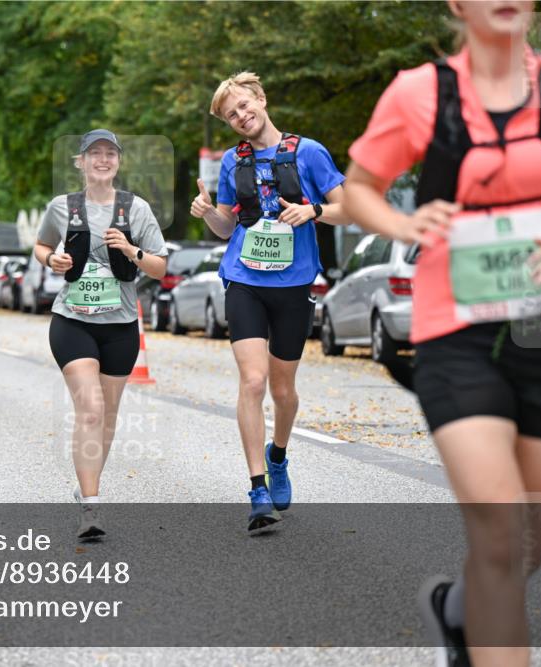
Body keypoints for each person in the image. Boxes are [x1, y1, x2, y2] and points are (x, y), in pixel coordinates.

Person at [343, 2, 541, 665]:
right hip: (456, 330)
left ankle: (457, 610)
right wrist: (402, 226)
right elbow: (362, 187)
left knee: (535, 535)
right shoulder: (420, 92)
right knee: (501, 532)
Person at [191, 72, 349, 532]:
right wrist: (208, 216)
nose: (241, 117)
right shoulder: (231, 161)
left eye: (244, 106)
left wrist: (314, 210)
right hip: (243, 280)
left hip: (293, 285)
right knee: (253, 382)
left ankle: (277, 454)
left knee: (282, 391)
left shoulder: (309, 152)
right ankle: (258, 489)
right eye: (231, 115)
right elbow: (226, 226)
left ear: (260, 98)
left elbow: (349, 208)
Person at [34, 129, 168, 540]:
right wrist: (52, 259)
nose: (103, 160)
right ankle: (91, 507)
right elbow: (40, 246)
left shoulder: (136, 208)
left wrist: (132, 251)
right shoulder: (63, 207)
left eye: (110, 153)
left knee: (106, 417)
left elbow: (160, 266)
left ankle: (86, 486)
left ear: (118, 162)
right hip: (72, 320)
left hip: (121, 327)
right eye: (95, 154)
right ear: (81, 162)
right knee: (90, 410)